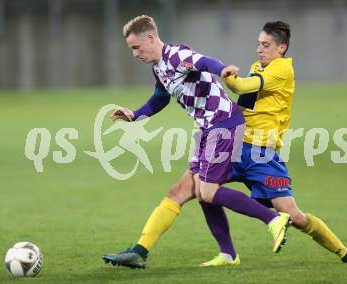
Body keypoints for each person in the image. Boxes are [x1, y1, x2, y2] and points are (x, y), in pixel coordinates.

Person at [102, 15, 291, 269]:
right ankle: (220, 254)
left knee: (208, 191)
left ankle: (273, 220)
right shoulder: (159, 67)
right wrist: (134, 115)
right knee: (184, 192)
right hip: (206, 129)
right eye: (131, 49)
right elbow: (159, 100)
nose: (135, 53)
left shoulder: (177, 56)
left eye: (136, 47)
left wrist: (222, 70)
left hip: (223, 124)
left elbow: (205, 62)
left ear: (150, 38)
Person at [200, 21, 347, 266]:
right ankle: (227, 253)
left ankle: (346, 254)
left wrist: (226, 75)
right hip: (236, 147)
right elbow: (244, 103)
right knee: (200, 188)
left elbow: (242, 85)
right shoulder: (258, 66)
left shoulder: (282, 69)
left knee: (295, 216)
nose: (259, 50)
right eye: (258, 44)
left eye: (265, 45)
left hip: (263, 156)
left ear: (281, 48)